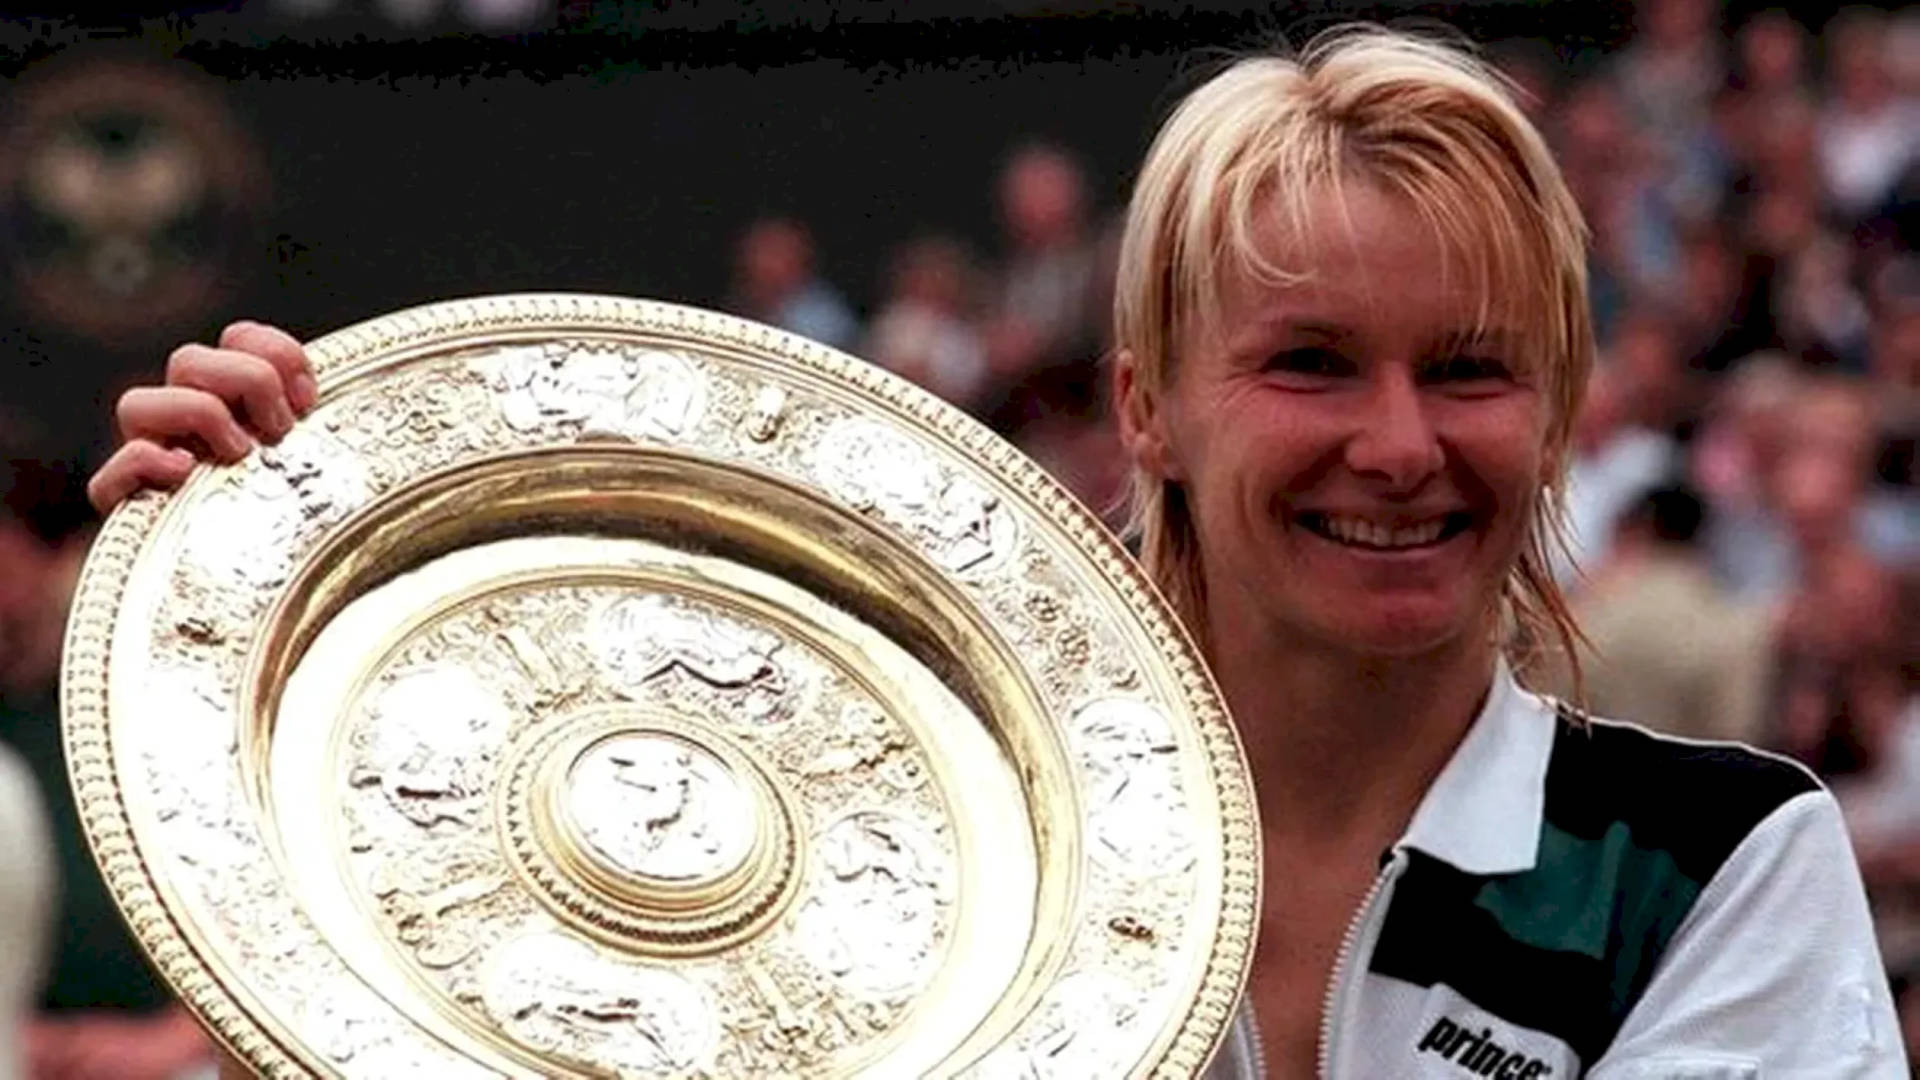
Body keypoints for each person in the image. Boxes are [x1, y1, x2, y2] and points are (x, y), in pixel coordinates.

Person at [88, 28, 1907, 1080]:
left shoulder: (1717, 868)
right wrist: (259, 768)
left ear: (1561, 409)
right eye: (1306, 363)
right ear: (1150, 408)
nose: (1401, 444)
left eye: (1472, 372)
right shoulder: (893, 836)